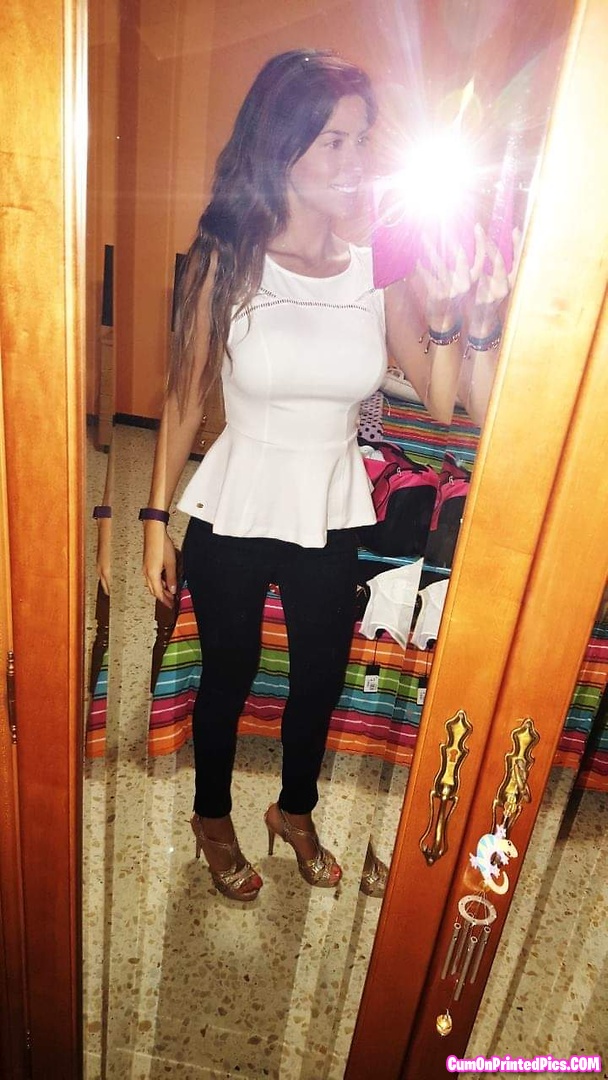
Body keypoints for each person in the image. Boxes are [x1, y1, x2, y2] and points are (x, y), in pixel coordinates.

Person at [142, 49, 508, 902]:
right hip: (237, 503)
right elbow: (184, 399)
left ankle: (294, 810)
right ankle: (211, 816)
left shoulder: (377, 267)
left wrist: (467, 315)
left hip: (334, 508)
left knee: (320, 678)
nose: (353, 161)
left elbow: (447, 403)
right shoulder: (226, 259)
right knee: (227, 675)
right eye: (332, 142)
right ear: (284, 146)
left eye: (361, 141)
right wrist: (156, 520)